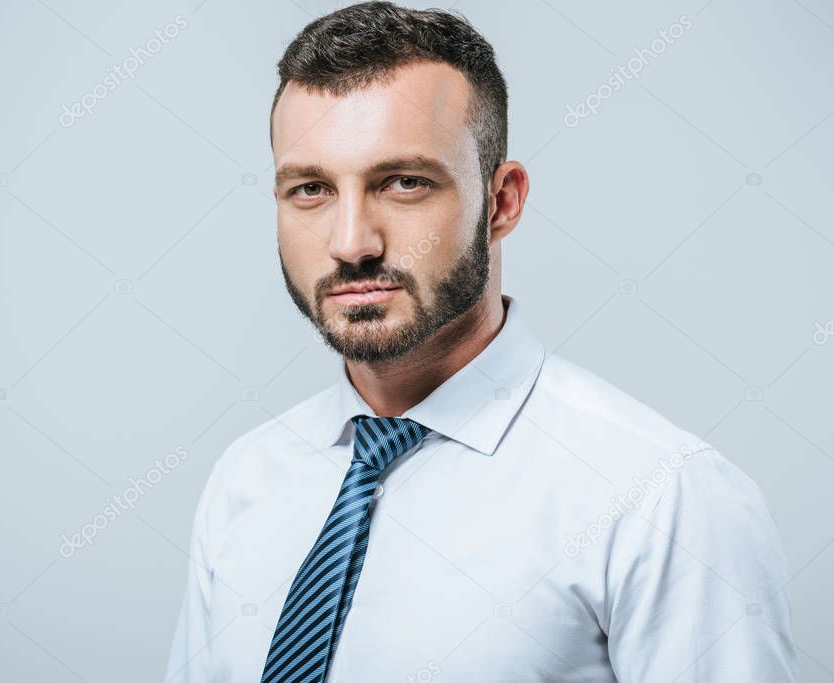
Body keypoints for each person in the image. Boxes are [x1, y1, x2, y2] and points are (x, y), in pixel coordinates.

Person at [166, 2, 797, 681]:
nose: (350, 243)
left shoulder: (662, 498)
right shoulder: (245, 478)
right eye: (311, 188)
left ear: (501, 202)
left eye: (404, 182)